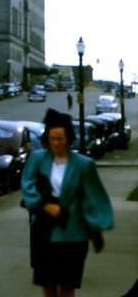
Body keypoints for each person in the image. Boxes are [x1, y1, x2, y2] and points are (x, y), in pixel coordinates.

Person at [21, 107, 114, 297]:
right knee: (47, 284)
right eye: (52, 138)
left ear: (69, 138)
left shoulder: (84, 164)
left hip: (73, 234)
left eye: (60, 139)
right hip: (44, 232)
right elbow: (27, 185)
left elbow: (93, 196)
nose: (55, 143)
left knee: (67, 286)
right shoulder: (37, 159)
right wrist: (44, 205)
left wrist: (96, 225)